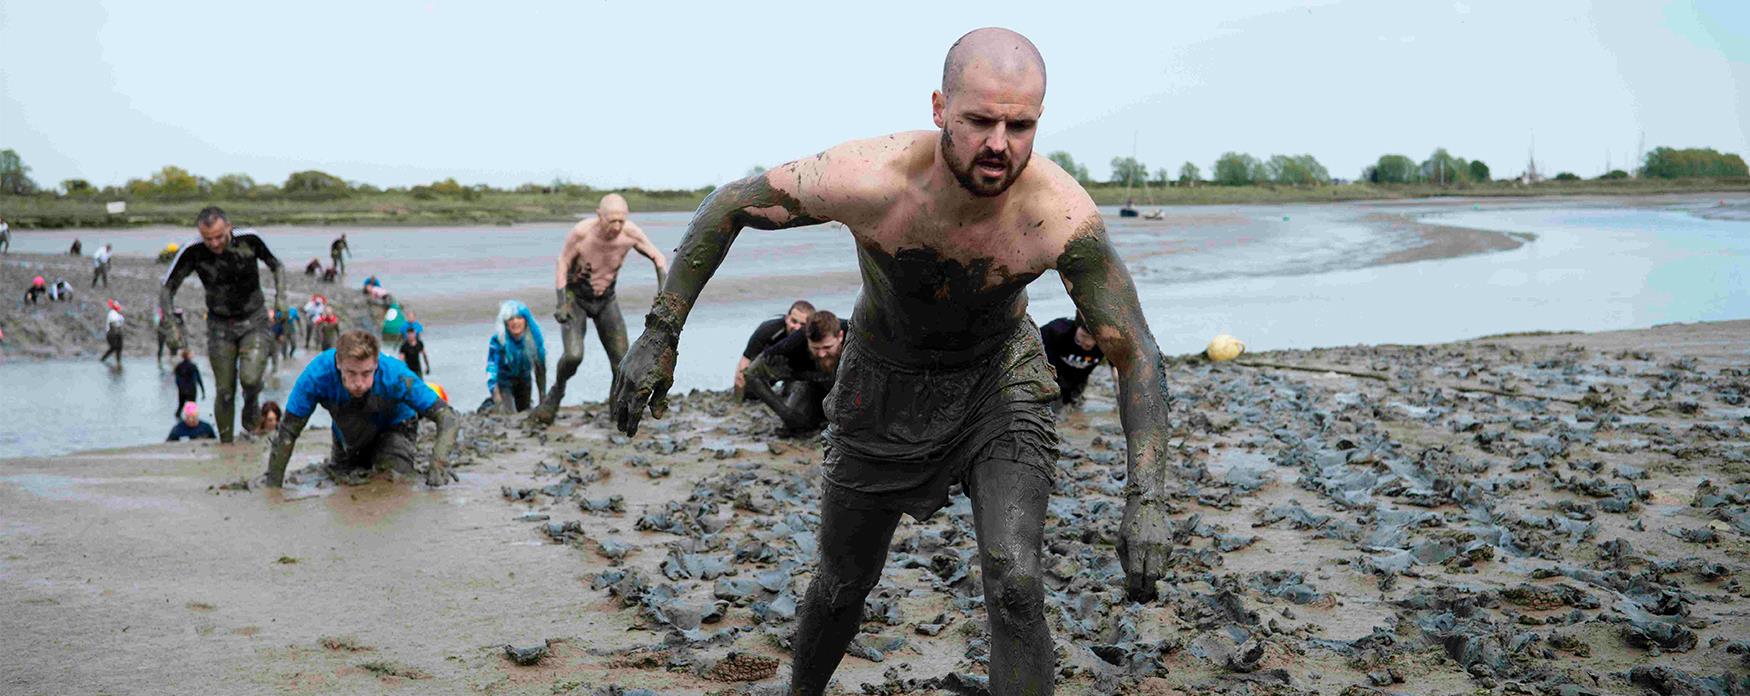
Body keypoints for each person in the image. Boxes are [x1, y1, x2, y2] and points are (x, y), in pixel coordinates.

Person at [609, 29, 1171, 696]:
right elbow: (729, 205)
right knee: (843, 582)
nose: (999, 143)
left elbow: (1134, 352)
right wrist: (660, 334)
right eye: (980, 120)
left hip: (1000, 379)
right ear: (940, 109)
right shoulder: (868, 179)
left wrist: (1148, 498)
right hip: (880, 382)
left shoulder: (1058, 216)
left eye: (1019, 125)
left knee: (1016, 580)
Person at [527, 194, 668, 425]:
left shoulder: (630, 233)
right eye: (611, 221)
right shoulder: (582, 233)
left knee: (622, 362)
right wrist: (561, 301)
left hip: (606, 299)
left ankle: (617, 413)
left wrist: (662, 295)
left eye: (621, 221)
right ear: (598, 215)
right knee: (573, 355)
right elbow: (562, 262)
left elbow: (659, 258)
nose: (616, 227)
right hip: (577, 297)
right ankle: (557, 391)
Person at [264, 330, 459, 487]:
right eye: (351, 373)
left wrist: (439, 460)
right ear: (338, 363)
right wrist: (273, 488)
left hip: (395, 427)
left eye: (367, 373)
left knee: (390, 482)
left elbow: (447, 416)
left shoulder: (395, 374)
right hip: (347, 432)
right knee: (340, 484)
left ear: (376, 363)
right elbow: (288, 432)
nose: (359, 383)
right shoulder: (317, 376)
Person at [160, 206, 286, 443]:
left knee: (249, 380)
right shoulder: (193, 251)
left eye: (219, 236)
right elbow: (167, 288)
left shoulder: (249, 239)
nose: (215, 244)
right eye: (208, 239)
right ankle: (226, 445)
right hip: (219, 325)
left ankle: (251, 412)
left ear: (229, 227)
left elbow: (276, 265)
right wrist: (170, 327)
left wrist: (281, 298)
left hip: (254, 319)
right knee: (225, 391)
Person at [742, 310, 845, 433]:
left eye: (827, 347)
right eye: (816, 348)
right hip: (812, 386)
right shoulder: (794, 343)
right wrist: (785, 413)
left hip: (852, 387)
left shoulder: (858, 336)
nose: (822, 354)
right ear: (807, 339)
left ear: (840, 336)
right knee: (797, 425)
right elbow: (752, 374)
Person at [735, 300, 814, 397]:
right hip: (769, 368)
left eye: (803, 325)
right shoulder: (768, 330)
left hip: (798, 371)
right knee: (749, 392)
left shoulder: (815, 336)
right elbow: (745, 362)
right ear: (786, 318)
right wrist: (737, 399)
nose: (797, 328)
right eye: (794, 321)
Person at [487, 300, 546, 414]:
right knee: (510, 415)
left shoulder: (534, 339)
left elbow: (540, 370)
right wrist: (495, 393)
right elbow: (491, 369)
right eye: (511, 319)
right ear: (505, 323)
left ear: (526, 320)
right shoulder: (498, 341)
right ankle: (491, 405)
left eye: (519, 318)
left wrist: (543, 399)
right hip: (504, 383)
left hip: (524, 381)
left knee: (525, 412)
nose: (515, 322)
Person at [1039, 314, 1106, 407]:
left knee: (1075, 402)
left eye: (1087, 346)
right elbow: (1032, 342)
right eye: (1079, 339)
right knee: (1054, 406)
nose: (1082, 344)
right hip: (1056, 372)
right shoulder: (1058, 330)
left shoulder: (1107, 344)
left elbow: (1118, 369)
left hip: (1081, 376)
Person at [173, 347, 205, 417]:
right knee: (191, 410)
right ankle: (190, 424)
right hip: (191, 390)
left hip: (182, 390)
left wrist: (180, 388)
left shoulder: (179, 366)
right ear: (189, 355)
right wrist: (203, 391)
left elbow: (176, 379)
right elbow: (198, 379)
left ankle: (179, 422)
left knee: (180, 407)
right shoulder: (193, 366)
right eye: (192, 354)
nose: (193, 355)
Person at [99, 299, 125, 366]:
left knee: (119, 348)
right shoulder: (112, 313)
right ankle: (103, 359)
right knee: (114, 347)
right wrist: (117, 333)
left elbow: (120, 324)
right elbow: (113, 324)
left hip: (118, 333)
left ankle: (118, 362)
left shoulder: (119, 315)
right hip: (112, 333)